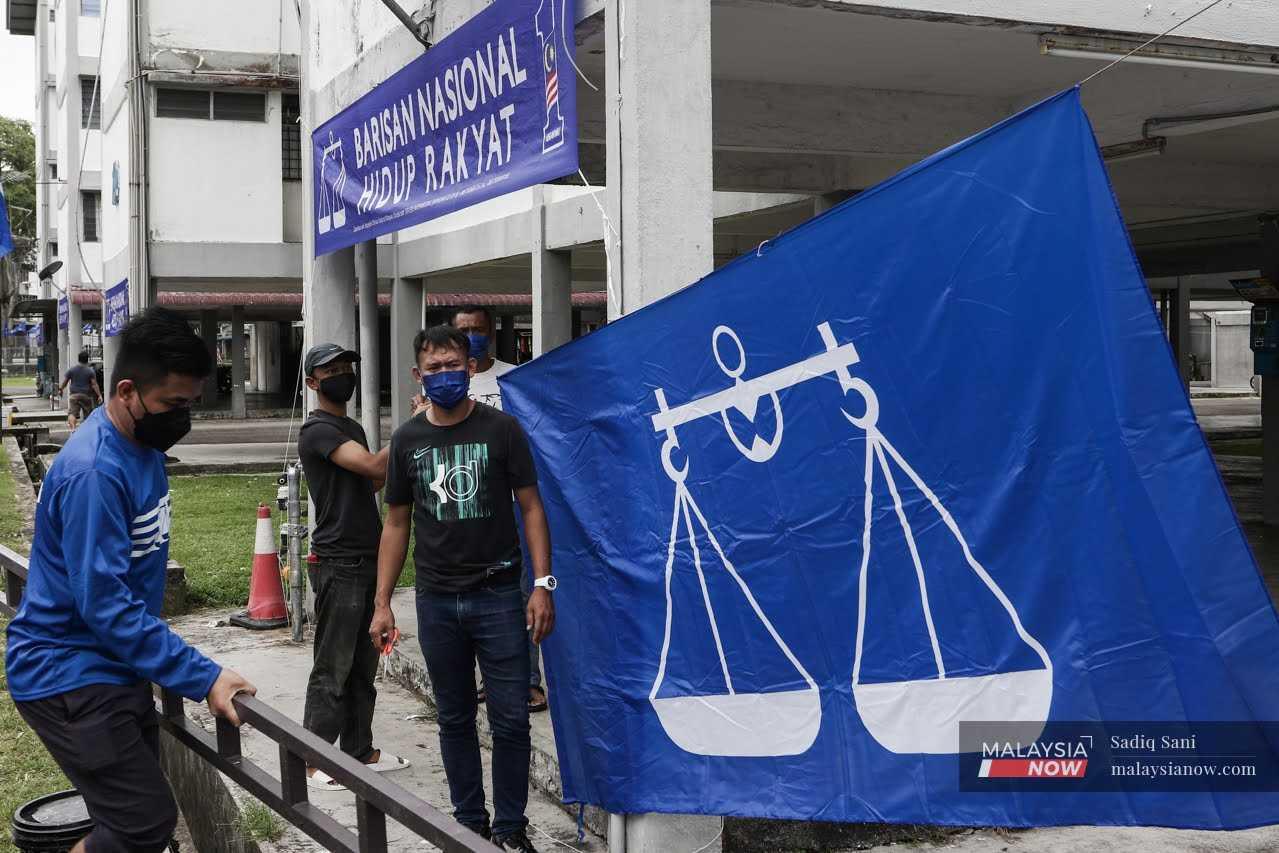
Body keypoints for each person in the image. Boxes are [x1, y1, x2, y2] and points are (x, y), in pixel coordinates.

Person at [6, 308, 256, 853]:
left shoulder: (140, 447)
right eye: (172, 404)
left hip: (111, 666)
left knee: (134, 820)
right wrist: (204, 675)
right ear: (125, 391)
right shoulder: (96, 471)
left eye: (191, 404)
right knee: (141, 824)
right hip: (70, 673)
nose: (182, 417)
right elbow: (107, 606)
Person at [371, 326, 556, 852]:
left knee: (513, 720)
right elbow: (396, 523)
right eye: (434, 369)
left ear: (470, 368)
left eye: (453, 366)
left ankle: (511, 830)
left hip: (499, 595)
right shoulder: (407, 439)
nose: (445, 376)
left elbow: (534, 509)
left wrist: (542, 585)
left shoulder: (503, 430)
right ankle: (468, 824)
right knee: (453, 717)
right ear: (417, 376)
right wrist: (383, 603)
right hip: (435, 601)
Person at [415, 306, 546, 713]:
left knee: (520, 593)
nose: (472, 333)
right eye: (464, 328)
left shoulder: (515, 377)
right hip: (455, 514)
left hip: (505, 510)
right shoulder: (429, 400)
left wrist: (547, 583)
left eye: (478, 329)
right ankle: (484, 682)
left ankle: (525, 682)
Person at [297, 342, 408, 790]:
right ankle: (314, 758)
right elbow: (369, 464)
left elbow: (376, 477)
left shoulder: (351, 426)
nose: (343, 374)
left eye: (346, 367)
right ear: (312, 382)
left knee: (364, 664)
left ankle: (359, 750)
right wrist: (416, 424)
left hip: (366, 556)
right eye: (331, 370)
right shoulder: (318, 430)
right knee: (333, 666)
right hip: (338, 561)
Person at [59, 349, 101, 431]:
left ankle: (73, 429)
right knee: (88, 415)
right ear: (87, 359)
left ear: (78, 359)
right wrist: (99, 395)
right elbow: (94, 384)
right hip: (86, 395)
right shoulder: (90, 371)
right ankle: (87, 430)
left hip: (74, 395)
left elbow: (65, 382)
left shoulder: (72, 370)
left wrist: (60, 389)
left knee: (72, 413)